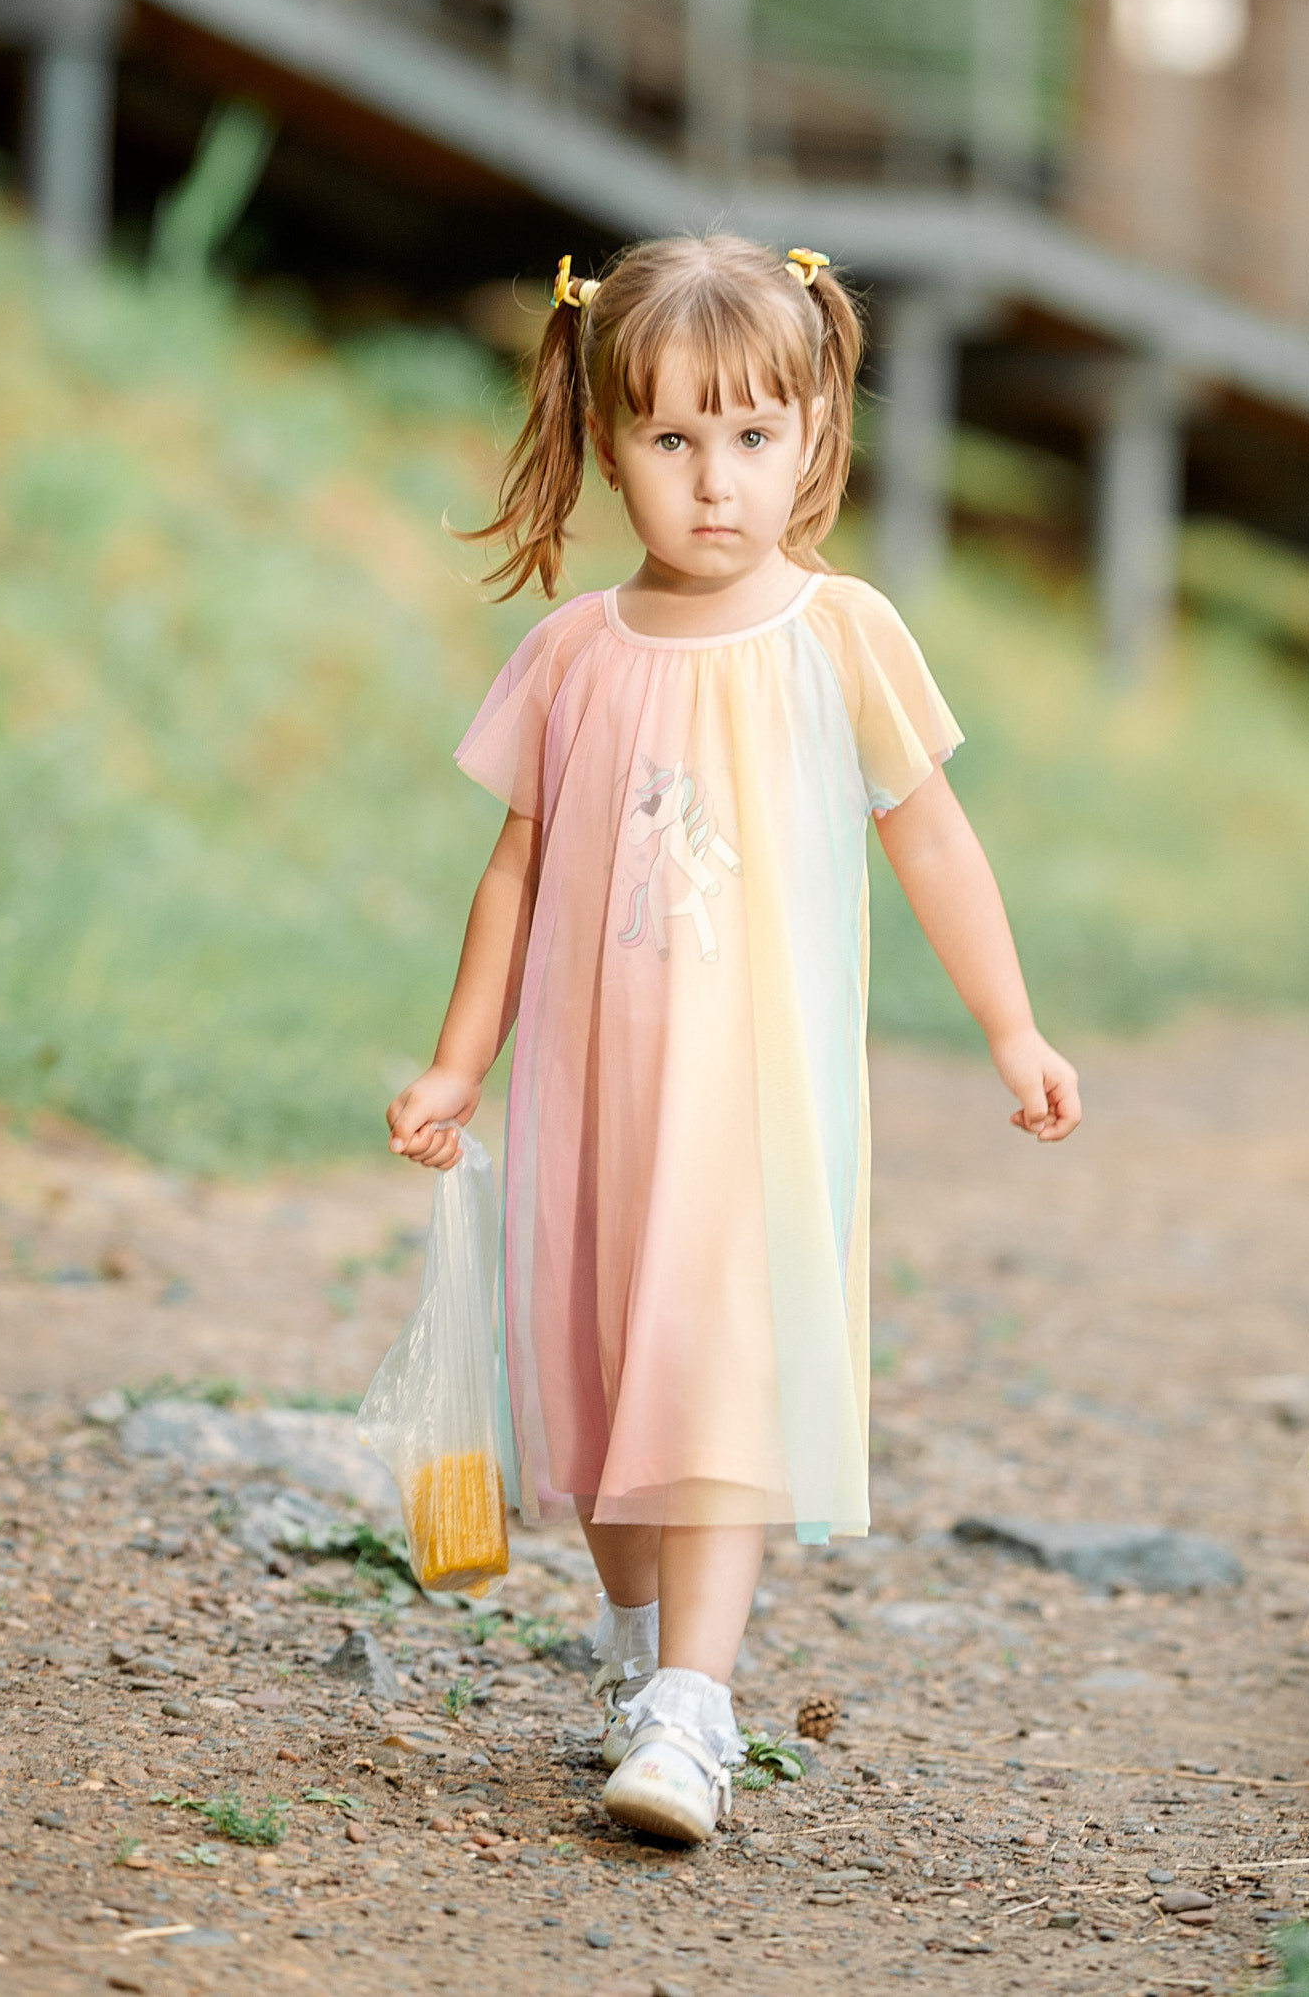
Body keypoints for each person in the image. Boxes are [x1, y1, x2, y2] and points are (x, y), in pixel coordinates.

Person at [385, 234, 1081, 1847]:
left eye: (752, 438)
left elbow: (934, 840)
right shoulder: (571, 653)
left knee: (714, 1372)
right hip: (592, 1104)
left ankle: (696, 1709)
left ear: (815, 439)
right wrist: (454, 1063)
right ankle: (637, 1654)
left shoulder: (838, 638)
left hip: (748, 1110)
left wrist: (1012, 1025)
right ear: (602, 438)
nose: (715, 482)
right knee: (606, 1384)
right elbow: (515, 873)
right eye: (672, 440)